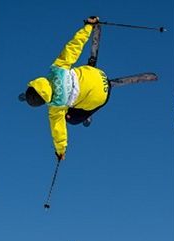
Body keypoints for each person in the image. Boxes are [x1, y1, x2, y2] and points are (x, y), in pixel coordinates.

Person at [23, 16, 111, 160]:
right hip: (98, 74)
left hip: (103, 96)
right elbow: (74, 46)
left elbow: (59, 131)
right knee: (75, 69)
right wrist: (88, 26)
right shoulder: (57, 69)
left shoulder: (56, 108)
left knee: (70, 118)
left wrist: (61, 151)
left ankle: (86, 116)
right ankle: (91, 69)